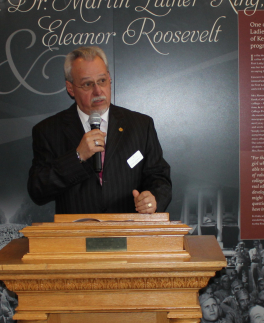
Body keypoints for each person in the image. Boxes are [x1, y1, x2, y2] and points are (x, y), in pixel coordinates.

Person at [27, 46, 172, 214]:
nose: (98, 91)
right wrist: (77, 157)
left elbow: (159, 178)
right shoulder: (48, 131)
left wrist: (153, 199)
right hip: (76, 235)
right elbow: (38, 191)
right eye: (87, 84)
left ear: (109, 79)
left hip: (129, 233)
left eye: (102, 81)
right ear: (70, 88)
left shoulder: (140, 125)